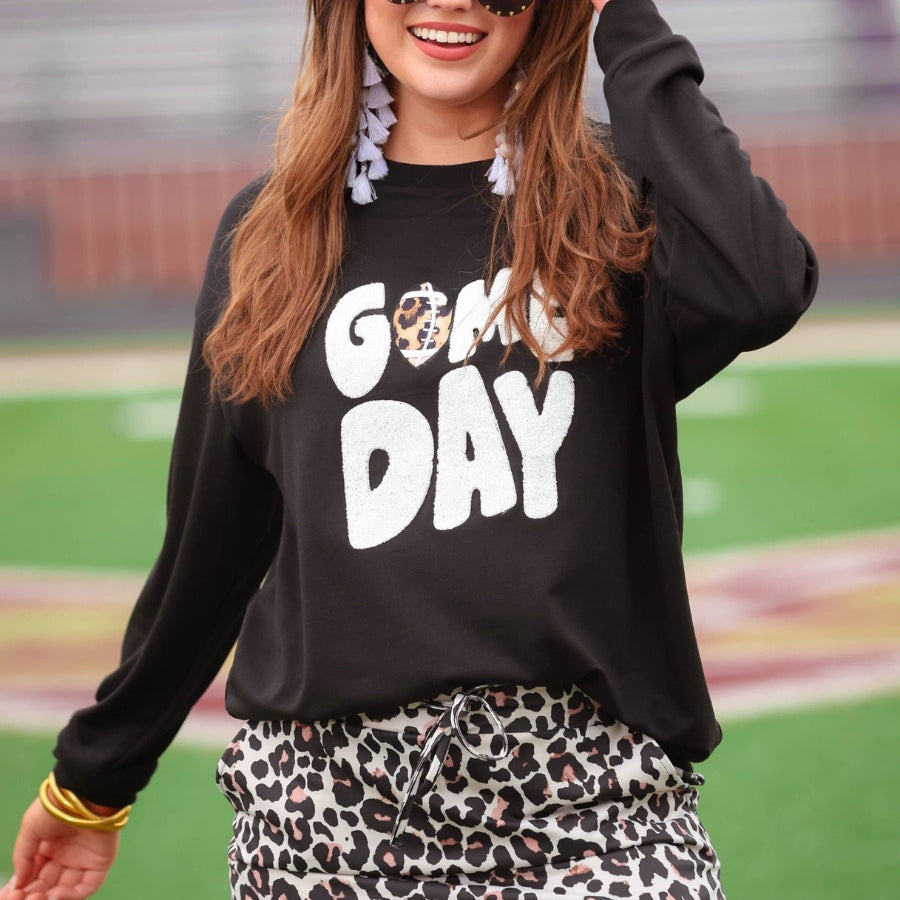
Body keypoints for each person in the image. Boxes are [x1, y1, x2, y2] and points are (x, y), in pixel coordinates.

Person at [1, 1, 818, 898]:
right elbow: (211, 549)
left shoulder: (617, 206)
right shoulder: (270, 235)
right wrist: (91, 785)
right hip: (324, 819)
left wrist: (621, 18)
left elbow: (762, 283)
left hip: (595, 809)